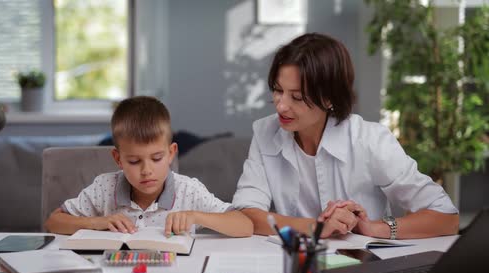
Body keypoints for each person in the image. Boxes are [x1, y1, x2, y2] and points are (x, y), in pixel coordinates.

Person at [232, 33, 458, 239]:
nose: (281, 106)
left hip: (362, 268)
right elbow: (246, 214)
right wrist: (317, 227)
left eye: (297, 97)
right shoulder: (265, 132)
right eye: (278, 90)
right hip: (297, 266)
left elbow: (446, 218)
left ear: (329, 99)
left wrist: (373, 227)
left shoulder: (370, 139)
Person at [45, 96, 253, 238]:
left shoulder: (188, 190)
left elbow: (245, 225)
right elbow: (54, 222)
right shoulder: (105, 187)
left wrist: (195, 216)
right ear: (118, 159)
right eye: (134, 161)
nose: (146, 170)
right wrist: (97, 222)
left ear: (171, 153)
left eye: (156, 158)